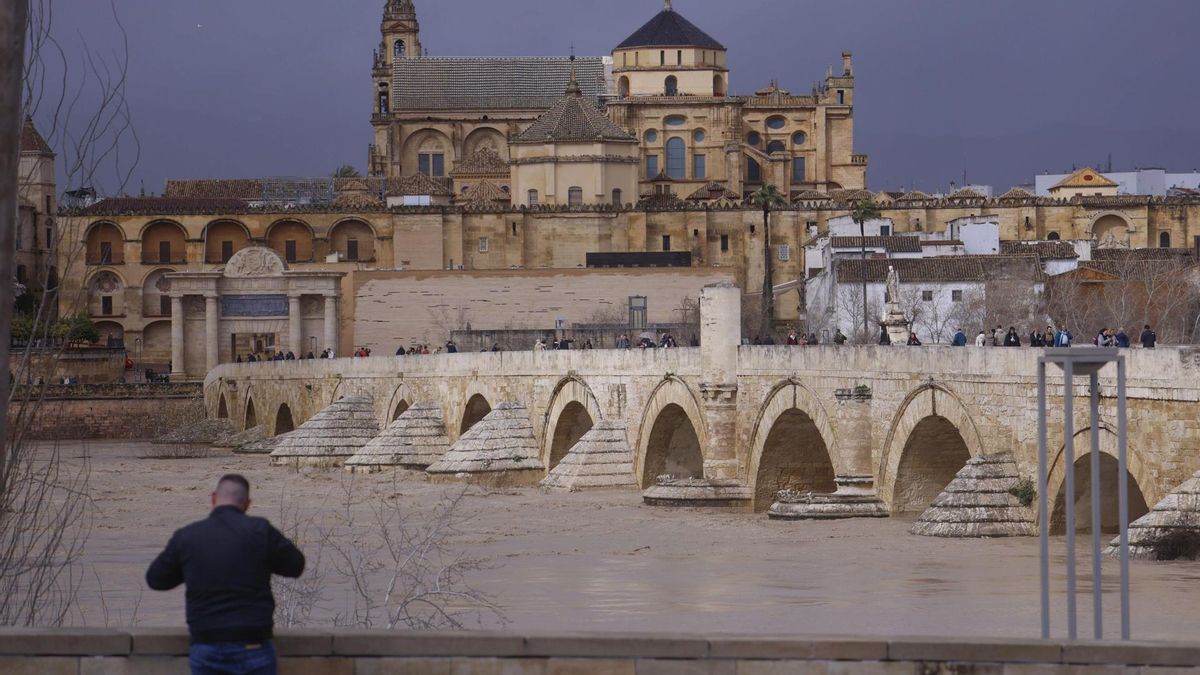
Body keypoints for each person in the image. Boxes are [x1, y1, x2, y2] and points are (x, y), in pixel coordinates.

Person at [146, 475, 304, 675]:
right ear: (247, 504)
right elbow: (296, 566)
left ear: (213, 498)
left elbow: (156, 580)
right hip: (253, 644)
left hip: (207, 644)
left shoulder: (188, 536)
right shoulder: (260, 531)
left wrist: (190, 568)